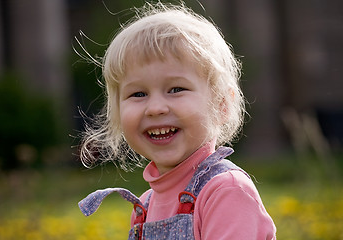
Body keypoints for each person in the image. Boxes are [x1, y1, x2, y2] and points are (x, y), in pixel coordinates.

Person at [78, 2, 276, 239]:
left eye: (176, 89)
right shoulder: (145, 206)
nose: (156, 108)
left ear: (221, 104)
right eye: (138, 94)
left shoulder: (225, 192)